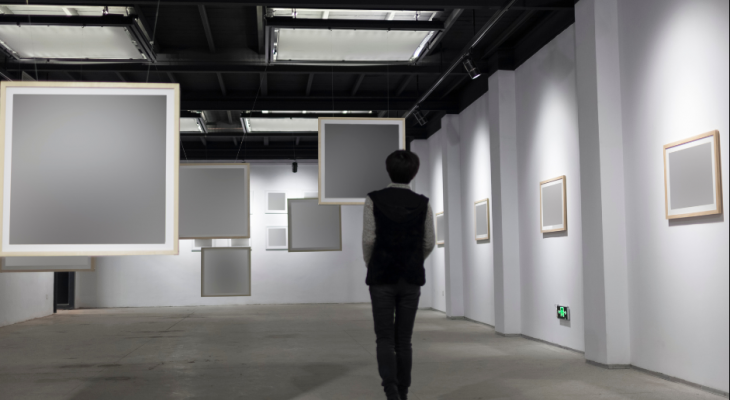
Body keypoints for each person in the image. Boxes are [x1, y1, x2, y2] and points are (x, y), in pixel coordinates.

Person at [362, 150, 436, 400]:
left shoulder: (374, 199)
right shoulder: (423, 203)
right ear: (413, 173)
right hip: (411, 278)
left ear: (388, 169)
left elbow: (369, 239)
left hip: (381, 277)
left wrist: (371, 263)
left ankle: (391, 392)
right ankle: (403, 392)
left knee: (384, 338)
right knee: (404, 339)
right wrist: (413, 260)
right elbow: (429, 242)